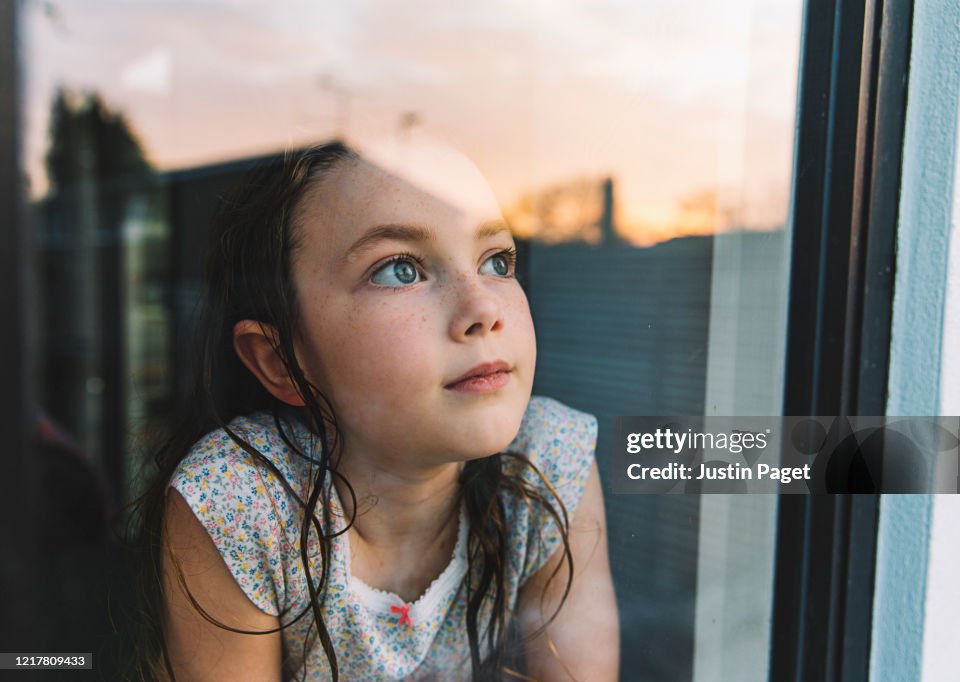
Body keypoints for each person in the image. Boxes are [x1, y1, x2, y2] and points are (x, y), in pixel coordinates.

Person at [134, 140, 619, 681]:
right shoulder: (239, 499)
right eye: (399, 271)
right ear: (282, 361)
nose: (483, 307)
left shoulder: (549, 458)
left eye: (496, 261)